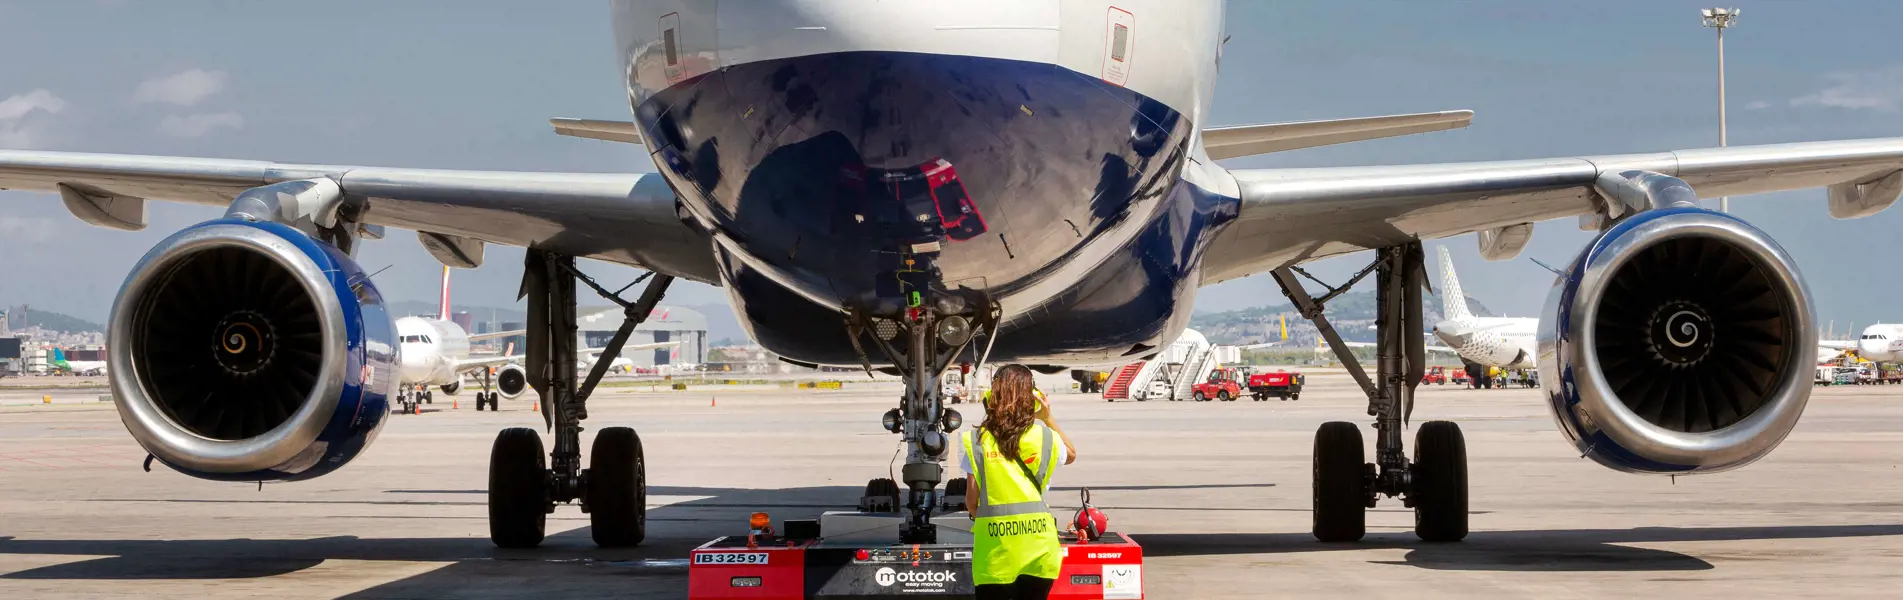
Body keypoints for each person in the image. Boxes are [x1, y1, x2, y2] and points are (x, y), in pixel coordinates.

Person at [961, 364, 1077, 600]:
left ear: (992, 395)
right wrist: (1046, 418)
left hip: (996, 552)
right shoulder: (1046, 437)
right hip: (1039, 549)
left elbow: (971, 502)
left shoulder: (977, 441)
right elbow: (1071, 454)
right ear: (1033, 397)